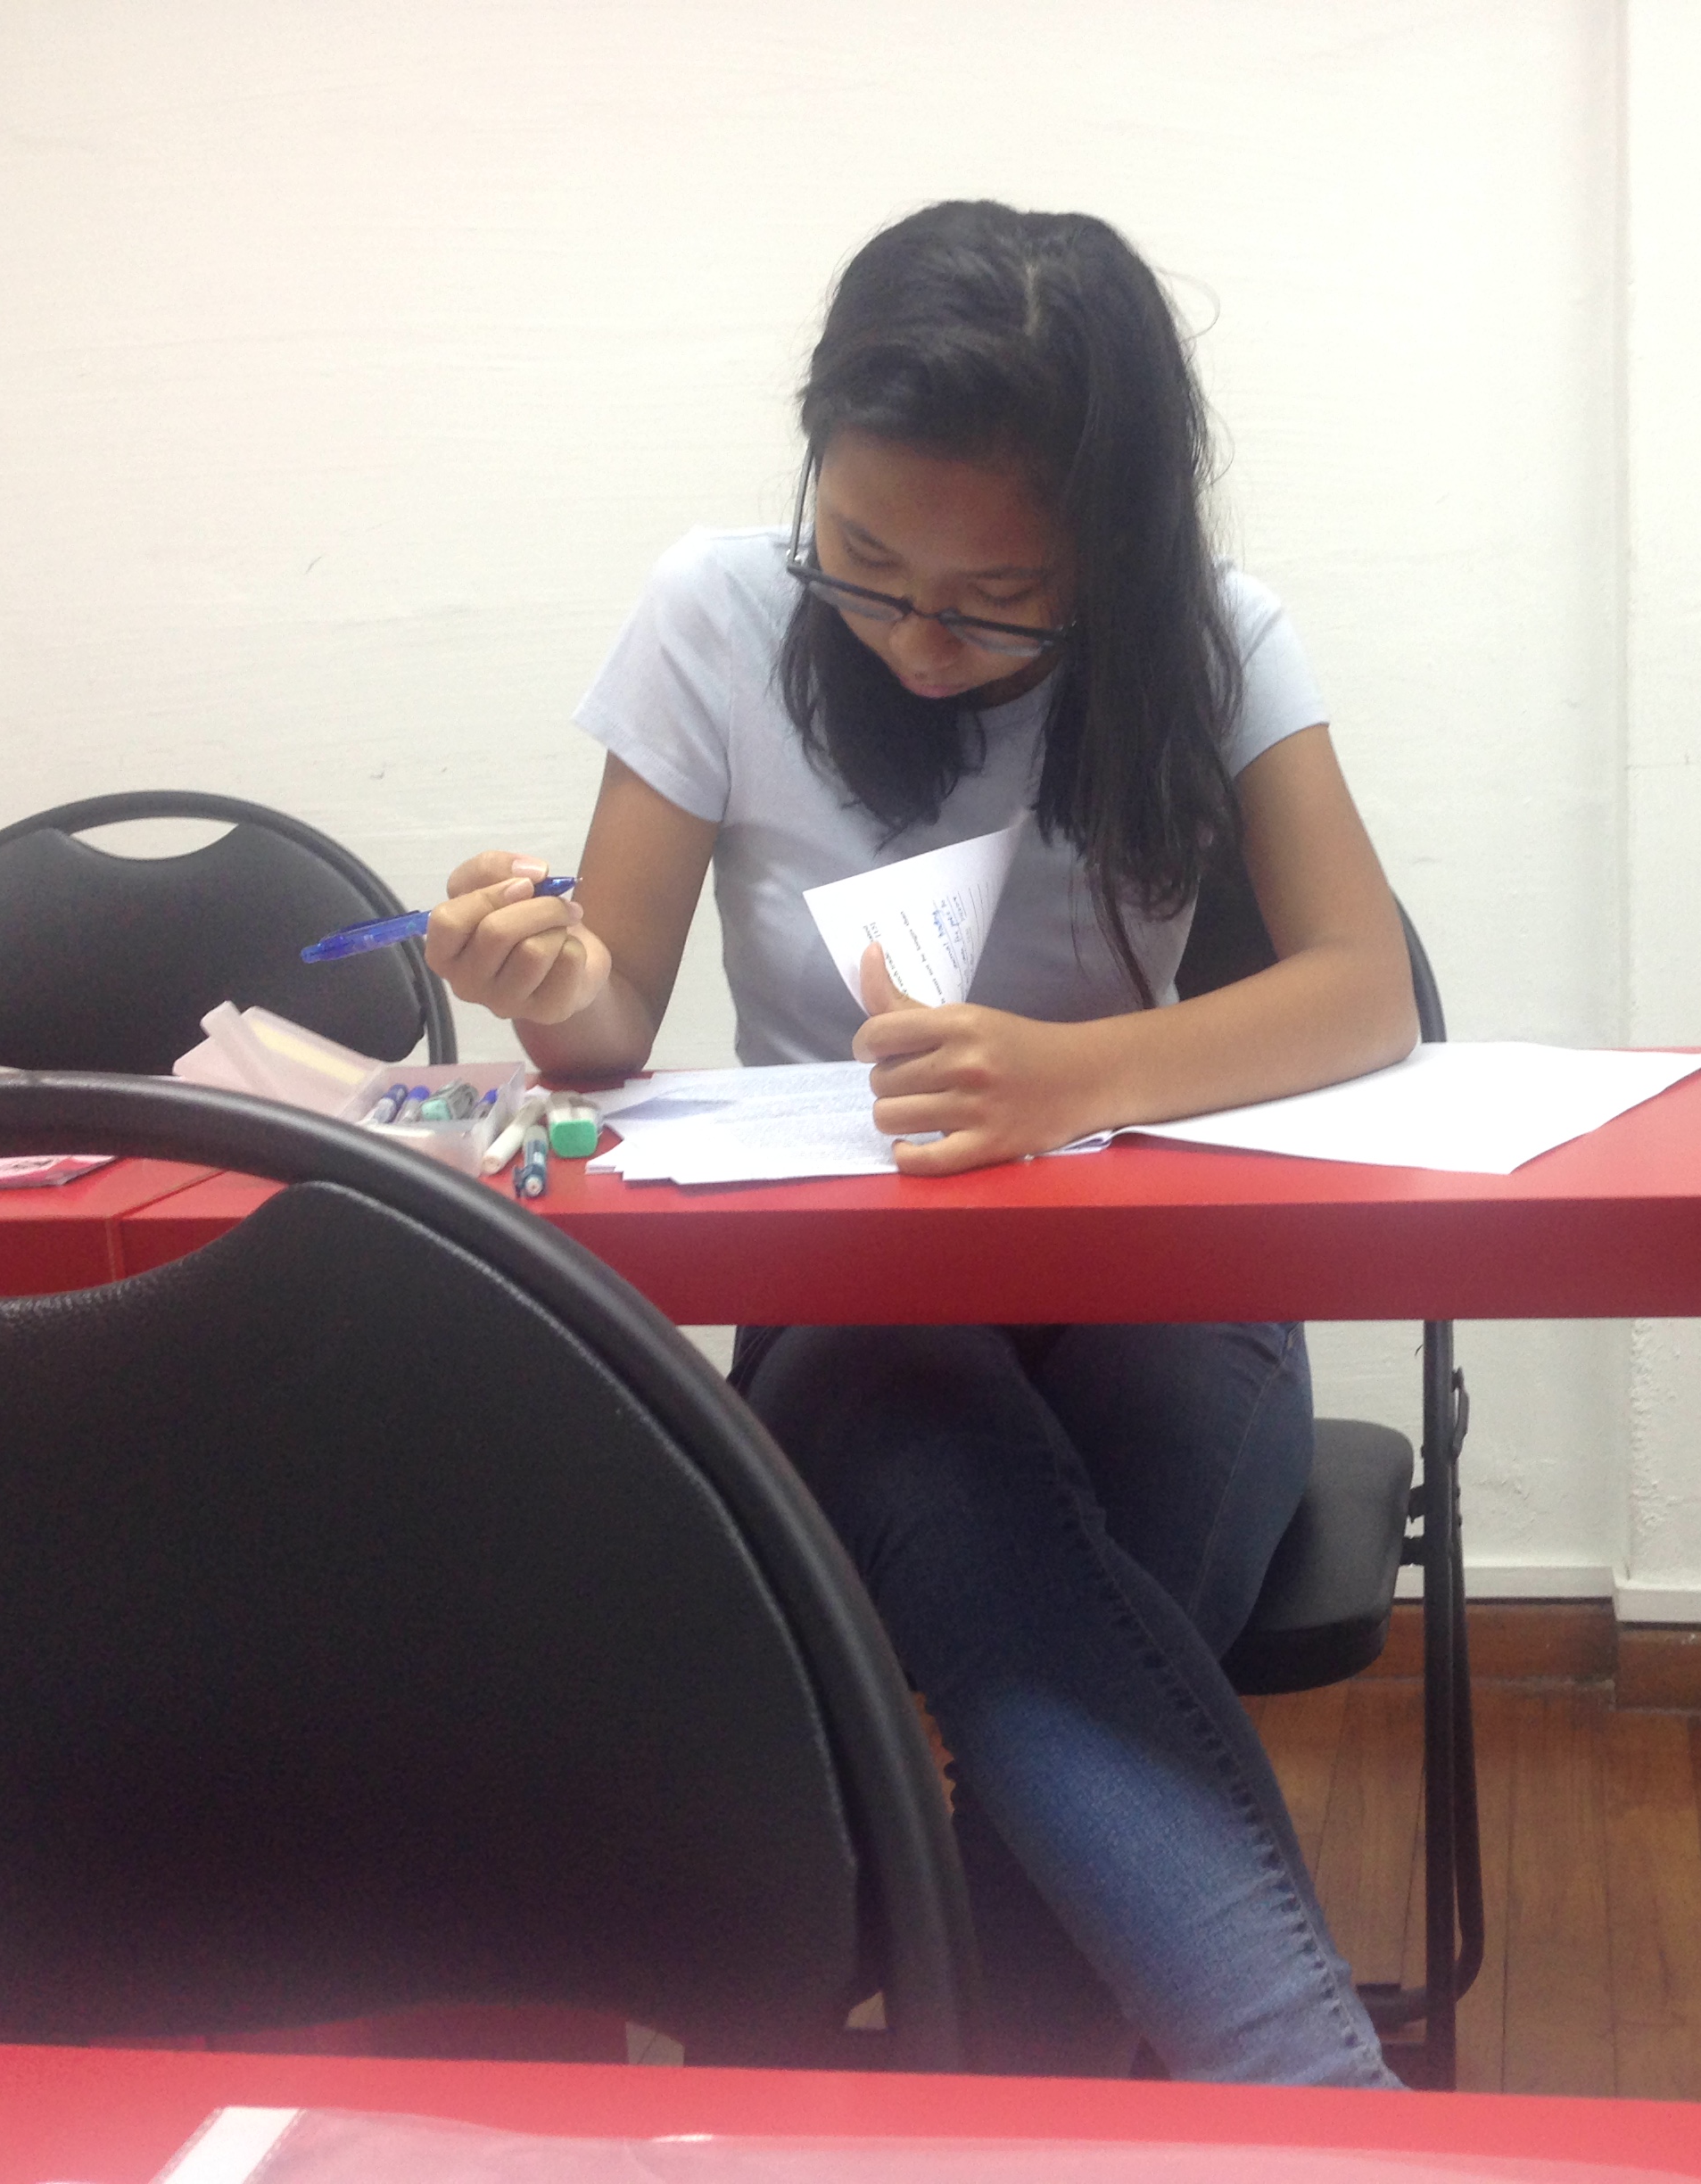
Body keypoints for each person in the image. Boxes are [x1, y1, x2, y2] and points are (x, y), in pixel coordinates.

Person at [424, 200, 1416, 2086]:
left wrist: (1074, 1078)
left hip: (1161, 1283)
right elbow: (607, 1024)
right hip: (854, 1301)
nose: (917, 636)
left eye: (999, 596)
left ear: (1113, 546)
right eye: (867, 561)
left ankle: (1018, 2091)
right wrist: (541, 979)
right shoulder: (717, 611)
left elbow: (1362, 989)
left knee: (1057, 1634)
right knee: (1021, 1571)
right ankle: (1318, 2109)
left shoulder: (1213, 640)